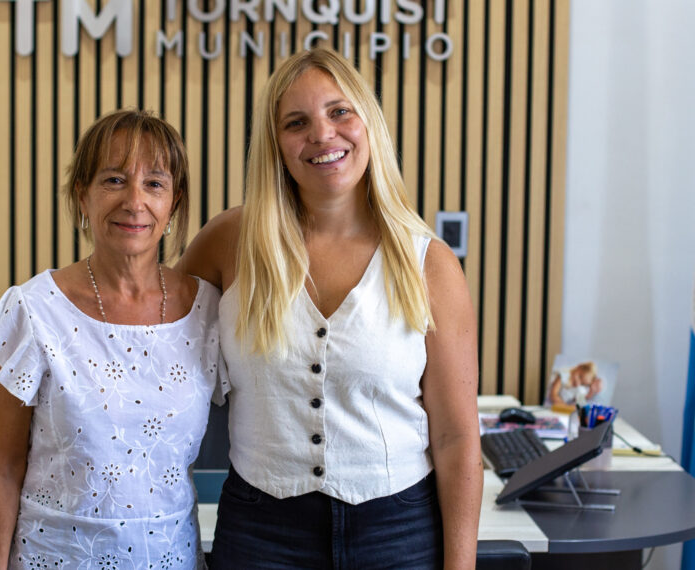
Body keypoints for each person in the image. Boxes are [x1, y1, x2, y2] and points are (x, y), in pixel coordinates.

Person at [179, 48, 482, 569]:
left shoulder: (429, 264)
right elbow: (154, 347)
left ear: (369, 123)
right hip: (260, 534)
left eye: (340, 111)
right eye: (296, 123)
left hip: (398, 534)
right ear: (275, 145)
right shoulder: (228, 243)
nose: (322, 134)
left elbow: (456, 438)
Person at [0, 109, 224, 570]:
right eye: (114, 180)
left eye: (154, 183)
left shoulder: (208, 311)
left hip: (171, 558)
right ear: (81, 194)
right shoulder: (33, 310)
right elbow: (2, 468)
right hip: (53, 558)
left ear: (173, 202)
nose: (135, 201)